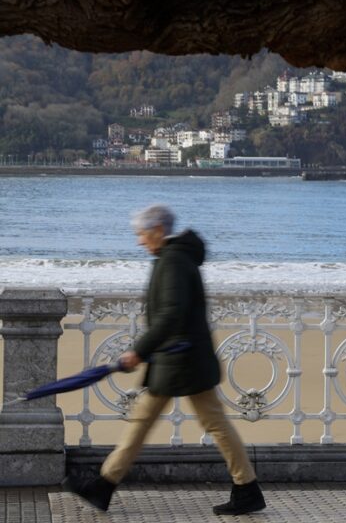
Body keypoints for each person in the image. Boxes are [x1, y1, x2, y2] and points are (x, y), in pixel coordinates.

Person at [63, 204, 266, 515]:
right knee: (167, 421)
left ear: (158, 230)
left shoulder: (172, 261)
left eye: (142, 234)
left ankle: (104, 485)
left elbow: (171, 314)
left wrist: (139, 351)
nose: (139, 241)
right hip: (180, 359)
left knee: (189, 423)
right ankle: (246, 488)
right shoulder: (174, 257)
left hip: (181, 361)